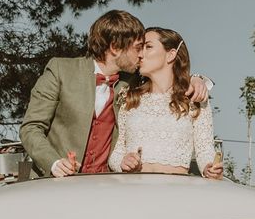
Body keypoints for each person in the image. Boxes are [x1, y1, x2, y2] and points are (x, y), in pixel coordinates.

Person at [19, 10, 211, 177]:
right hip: (56, 184)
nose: (141, 55)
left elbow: (167, 77)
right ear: (115, 48)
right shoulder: (61, 70)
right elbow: (31, 128)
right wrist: (54, 163)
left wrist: (197, 78)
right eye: (137, 48)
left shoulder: (131, 82)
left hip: (108, 189)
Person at [108, 27, 223, 179]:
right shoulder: (129, 98)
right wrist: (122, 162)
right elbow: (116, 153)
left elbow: (205, 149)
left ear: (171, 55)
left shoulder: (193, 99)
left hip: (175, 192)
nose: (140, 54)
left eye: (148, 47)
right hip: (133, 191)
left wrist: (209, 168)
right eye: (140, 48)